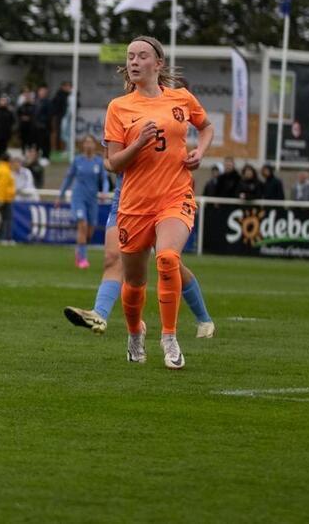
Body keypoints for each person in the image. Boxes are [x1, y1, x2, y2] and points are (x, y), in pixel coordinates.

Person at [101, 35, 214, 370]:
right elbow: (112, 163)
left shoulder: (181, 98)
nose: (134, 61)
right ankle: (135, 333)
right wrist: (138, 144)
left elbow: (205, 127)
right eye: (130, 56)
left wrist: (200, 152)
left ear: (158, 64)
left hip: (175, 196)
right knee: (134, 282)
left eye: (142, 56)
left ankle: (169, 337)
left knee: (167, 258)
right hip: (134, 204)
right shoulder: (118, 107)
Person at [64, 172, 215, 338]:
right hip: (125, 200)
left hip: (159, 201)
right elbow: (110, 162)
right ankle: (99, 314)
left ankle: (204, 319)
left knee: (170, 262)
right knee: (112, 259)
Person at [57, 135, 110, 269]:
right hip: (78, 197)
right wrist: (60, 196)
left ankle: (79, 251)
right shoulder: (77, 161)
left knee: (90, 230)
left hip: (92, 199)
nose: (88, 145)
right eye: (86, 143)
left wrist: (104, 191)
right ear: (83, 146)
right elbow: (68, 179)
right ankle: (82, 259)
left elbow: (104, 179)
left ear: (94, 145)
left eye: (90, 143)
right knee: (83, 225)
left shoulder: (99, 162)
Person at [0, 152, 15, 245]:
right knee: (7, 218)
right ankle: (5, 238)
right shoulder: (5, 170)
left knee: (4, 218)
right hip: (3, 198)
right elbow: (2, 186)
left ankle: (0, 238)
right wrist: (1, 199)